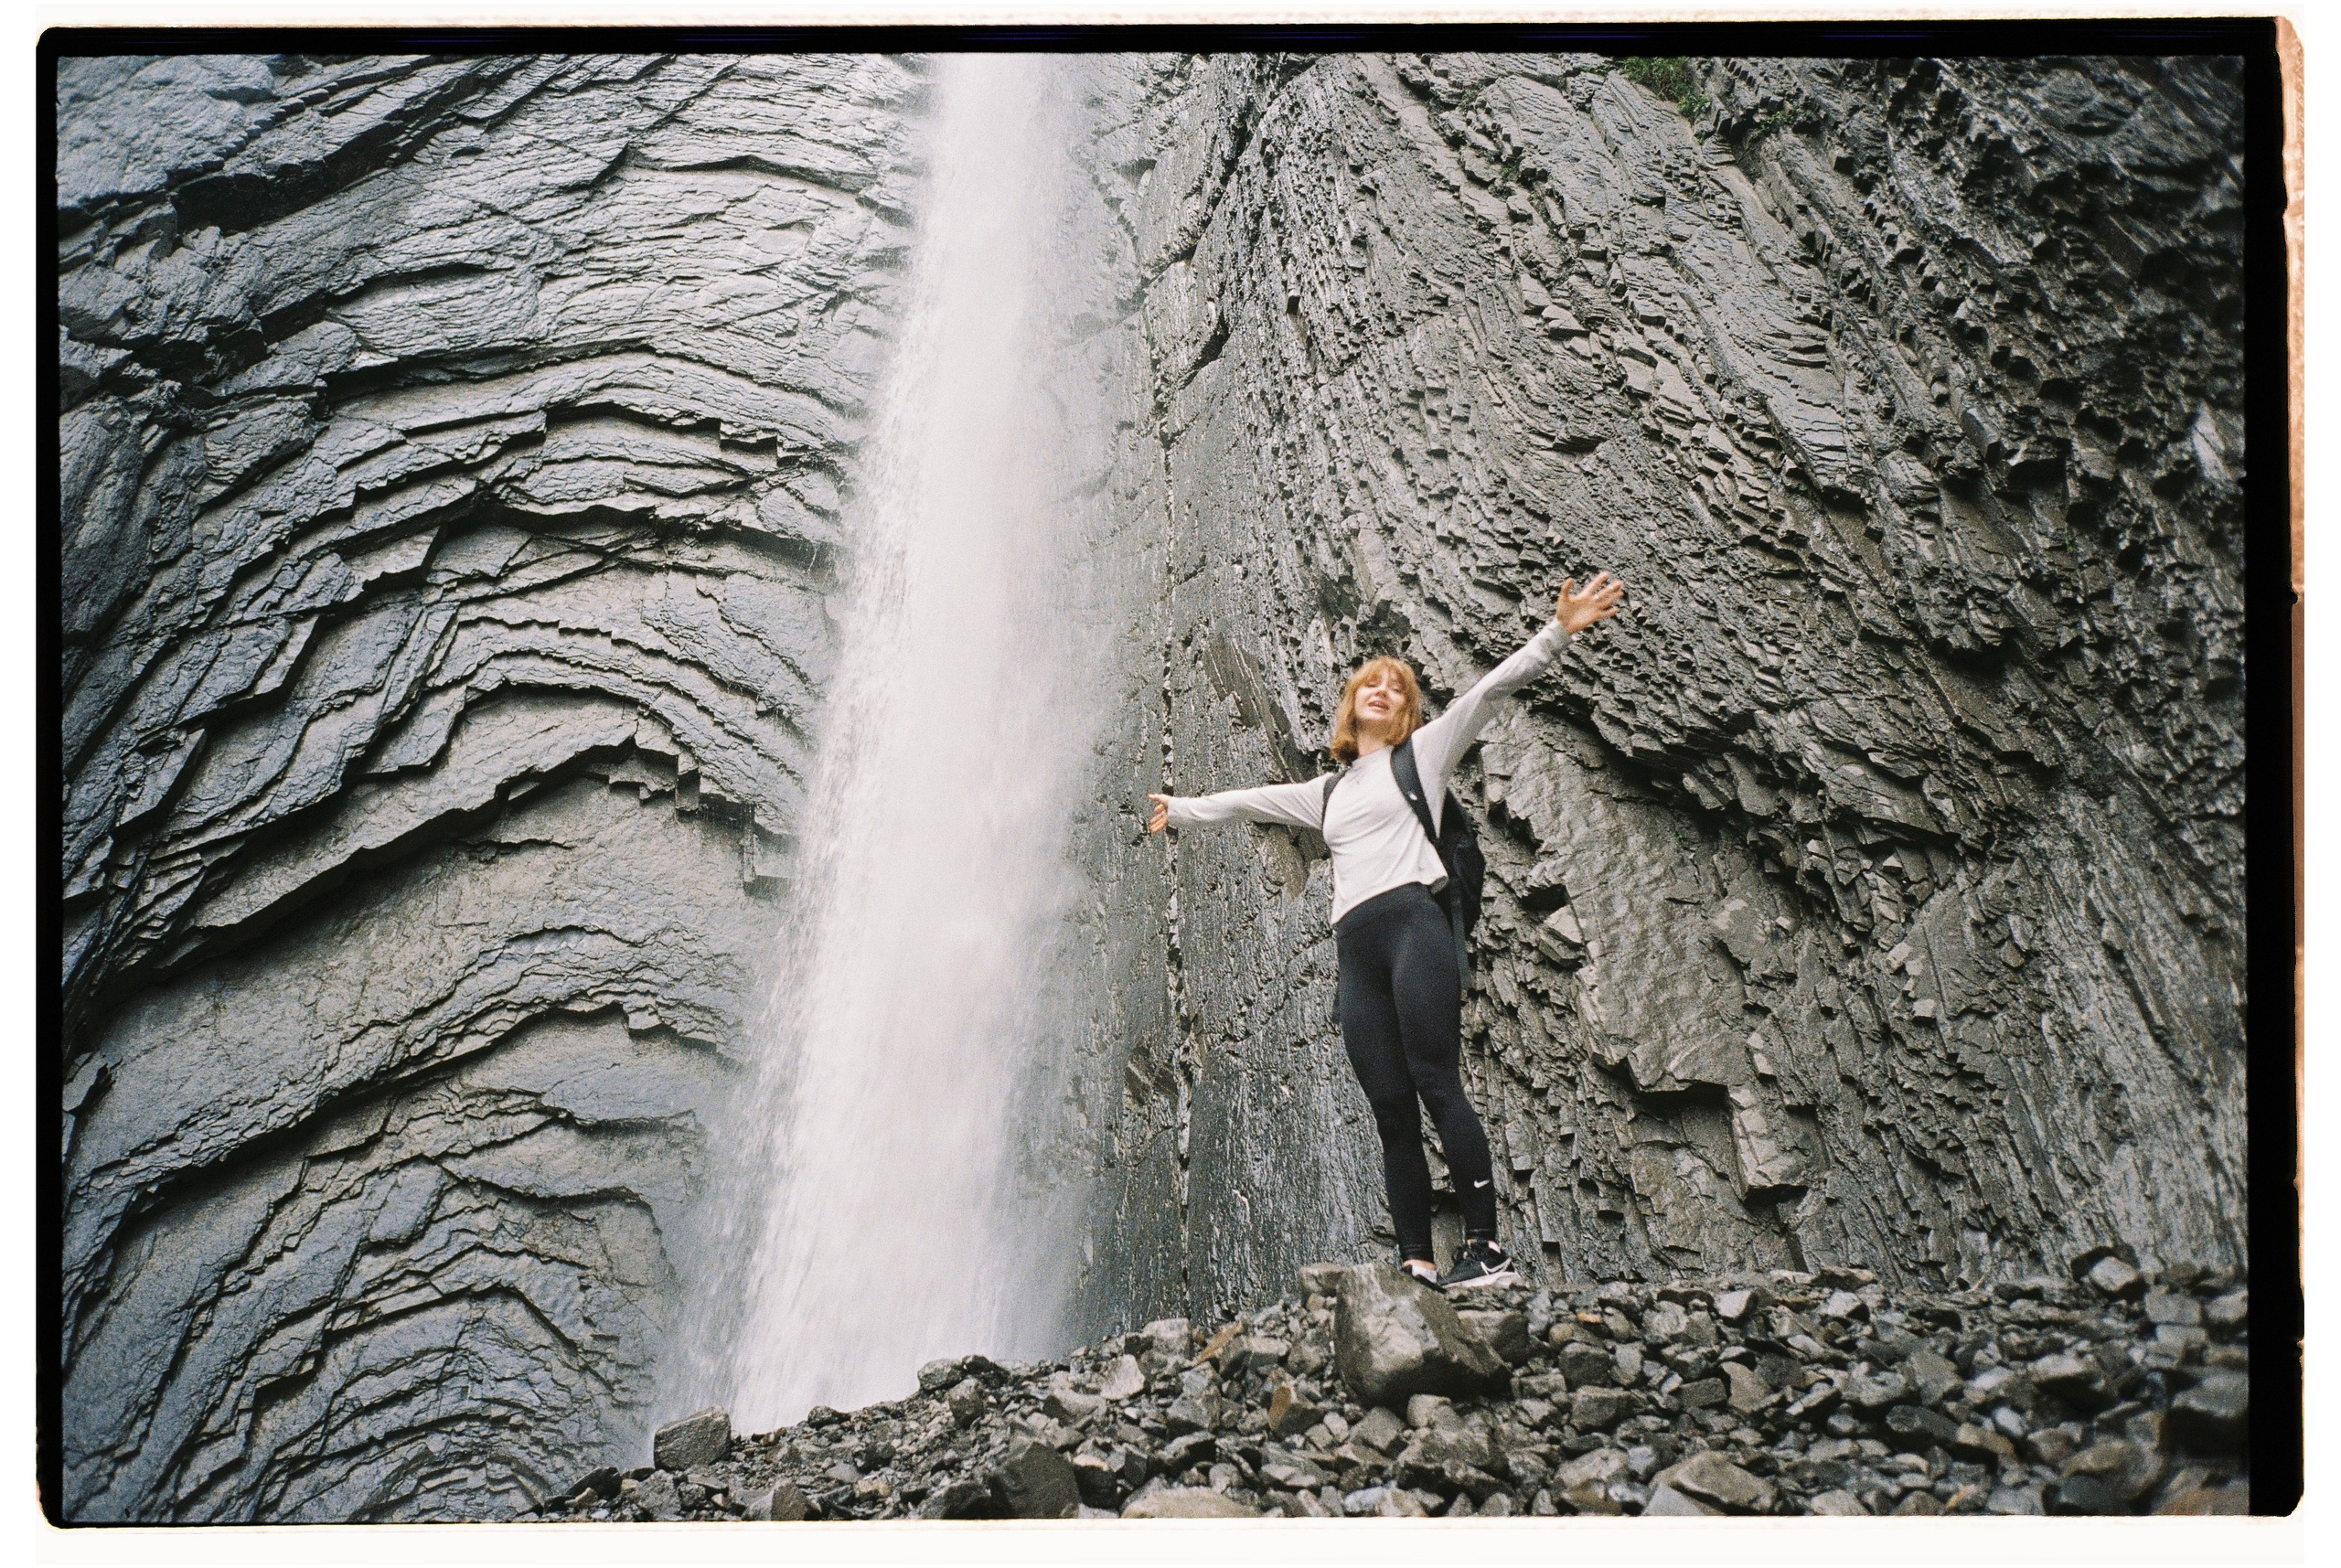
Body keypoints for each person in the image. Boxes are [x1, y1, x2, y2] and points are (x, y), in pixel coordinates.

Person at [1147, 572, 1626, 1292]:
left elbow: (1489, 692)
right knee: (1390, 1109)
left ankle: (1486, 1248)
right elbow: (1251, 803)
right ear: (1350, 705)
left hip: (1413, 926)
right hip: (1355, 950)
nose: (1381, 691)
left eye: (1396, 687)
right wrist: (1178, 810)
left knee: (1437, 1082)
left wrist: (1559, 630)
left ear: (1406, 710)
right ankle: (1415, 1262)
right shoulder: (1329, 790)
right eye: (1369, 684)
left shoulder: (1424, 756)